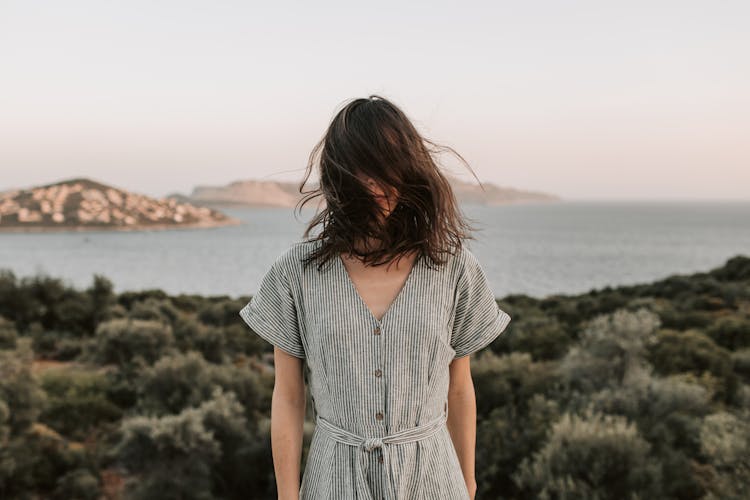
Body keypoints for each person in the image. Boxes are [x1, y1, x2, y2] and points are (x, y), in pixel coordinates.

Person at [239, 95, 512, 500]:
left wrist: (468, 484)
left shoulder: (453, 268)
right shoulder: (295, 272)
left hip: (433, 481)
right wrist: (287, 495)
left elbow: (459, 387)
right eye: (363, 168)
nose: (377, 184)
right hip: (334, 481)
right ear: (340, 174)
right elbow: (289, 395)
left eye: (389, 165)